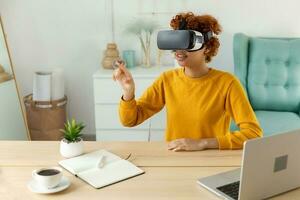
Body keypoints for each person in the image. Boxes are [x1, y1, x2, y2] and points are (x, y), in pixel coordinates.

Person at [112, 12, 262, 151]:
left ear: (207, 48)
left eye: (187, 42)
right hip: (176, 158)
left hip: (211, 159)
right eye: (176, 42)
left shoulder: (227, 83)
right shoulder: (167, 80)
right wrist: (128, 92)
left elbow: (254, 134)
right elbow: (130, 121)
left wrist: (203, 143)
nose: (179, 50)